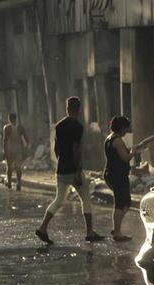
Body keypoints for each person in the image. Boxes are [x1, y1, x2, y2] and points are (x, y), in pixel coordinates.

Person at [35, 96, 104, 245]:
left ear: (67, 109)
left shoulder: (59, 125)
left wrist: (62, 161)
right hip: (73, 169)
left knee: (59, 200)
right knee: (85, 198)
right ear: (78, 110)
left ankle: (42, 228)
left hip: (62, 168)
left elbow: (56, 148)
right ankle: (90, 232)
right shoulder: (77, 126)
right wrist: (78, 170)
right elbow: (76, 150)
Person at [103, 115, 141, 241]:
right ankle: (117, 232)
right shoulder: (118, 140)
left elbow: (118, 154)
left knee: (124, 201)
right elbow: (125, 158)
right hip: (117, 175)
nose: (126, 131)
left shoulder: (109, 138)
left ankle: (116, 228)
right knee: (122, 203)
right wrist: (133, 152)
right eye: (125, 128)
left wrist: (130, 150)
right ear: (121, 128)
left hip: (111, 173)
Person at [2, 113, 30, 190]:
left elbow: (5, 141)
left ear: (9, 119)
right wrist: (25, 149)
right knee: (18, 167)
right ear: (16, 118)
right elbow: (27, 140)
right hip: (19, 149)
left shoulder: (6, 128)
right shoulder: (21, 127)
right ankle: (19, 183)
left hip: (10, 150)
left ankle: (9, 183)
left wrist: (5, 151)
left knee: (9, 167)